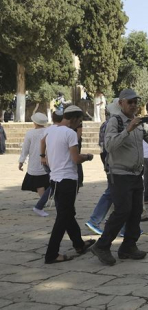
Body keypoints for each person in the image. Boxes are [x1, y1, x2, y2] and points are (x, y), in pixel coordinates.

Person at [90, 89, 148, 266]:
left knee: (136, 211)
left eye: (136, 102)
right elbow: (110, 145)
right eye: (130, 102)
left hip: (136, 173)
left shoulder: (139, 123)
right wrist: (128, 130)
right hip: (120, 174)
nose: (133, 105)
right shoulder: (115, 122)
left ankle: (129, 246)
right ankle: (102, 245)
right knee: (122, 210)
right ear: (121, 103)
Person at [44, 105, 95, 263]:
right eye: (79, 122)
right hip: (67, 179)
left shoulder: (51, 131)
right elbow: (75, 158)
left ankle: (79, 244)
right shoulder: (70, 133)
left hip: (55, 178)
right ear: (74, 119)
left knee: (67, 213)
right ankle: (52, 253)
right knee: (63, 217)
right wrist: (87, 156)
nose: (79, 125)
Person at [85, 99, 122, 234]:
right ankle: (96, 220)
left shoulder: (105, 124)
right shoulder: (114, 124)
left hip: (108, 159)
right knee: (112, 192)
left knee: (116, 193)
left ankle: (120, 226)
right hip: (114, 161)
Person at [34, 110, 65, 217]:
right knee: (55, 185)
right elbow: (43, 142)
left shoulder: (49, 129)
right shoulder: (59, 130)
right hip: (53, 160)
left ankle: (58, 206)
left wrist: (42, 156)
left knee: (55, 184)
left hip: (49, 159)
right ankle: (39, 206)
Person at [19, 113, 50, 211]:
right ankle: (45, 199)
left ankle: (42, 201)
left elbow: (25, 149)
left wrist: (21, 161)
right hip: (49, 160)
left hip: (35, 161)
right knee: (47, 182)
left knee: (39, 183)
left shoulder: (30, 133)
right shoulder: (49, 131)